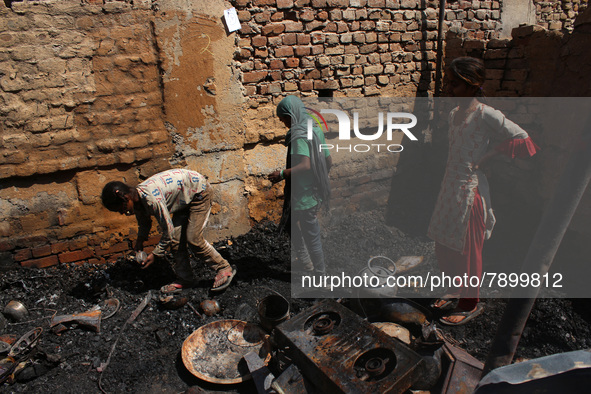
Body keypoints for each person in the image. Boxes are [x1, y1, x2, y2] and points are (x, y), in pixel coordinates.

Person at [428, 57, 539, 325]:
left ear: (473, 84)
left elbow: (524, 139)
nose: (450, 88)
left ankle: (469, 303)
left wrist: (491, 155)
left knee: (468, 248)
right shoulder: (455, 113)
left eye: (455, 84)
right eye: (449, 83)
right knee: (444, 242)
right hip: (449, 187)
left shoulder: (485, 114)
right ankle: (454, 288)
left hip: (470, 191)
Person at [101, 169, 236, 293]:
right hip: (182, 200)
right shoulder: (137, 202)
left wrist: (156, 254)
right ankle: (186, 279)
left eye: (122, 209)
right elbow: (144, 222)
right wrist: (139, 242)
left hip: (198, 193)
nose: (124, 213)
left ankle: (223, 268)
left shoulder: (151, 199)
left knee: (193, 238)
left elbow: (168, 231)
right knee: (176, 242)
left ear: (125, 198)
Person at [268, 95, 332, 276]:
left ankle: (320, 274)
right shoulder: (313, 126)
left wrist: (281, 174)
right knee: (290, 223)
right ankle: (305, 261)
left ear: (291, 114)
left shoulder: (298, 135)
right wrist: (320, 181)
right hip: (313, 191)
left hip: (303, 195)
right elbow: (327, 159)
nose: (284, 123)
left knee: (311, 235)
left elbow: (305, 165)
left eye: (284, 118)